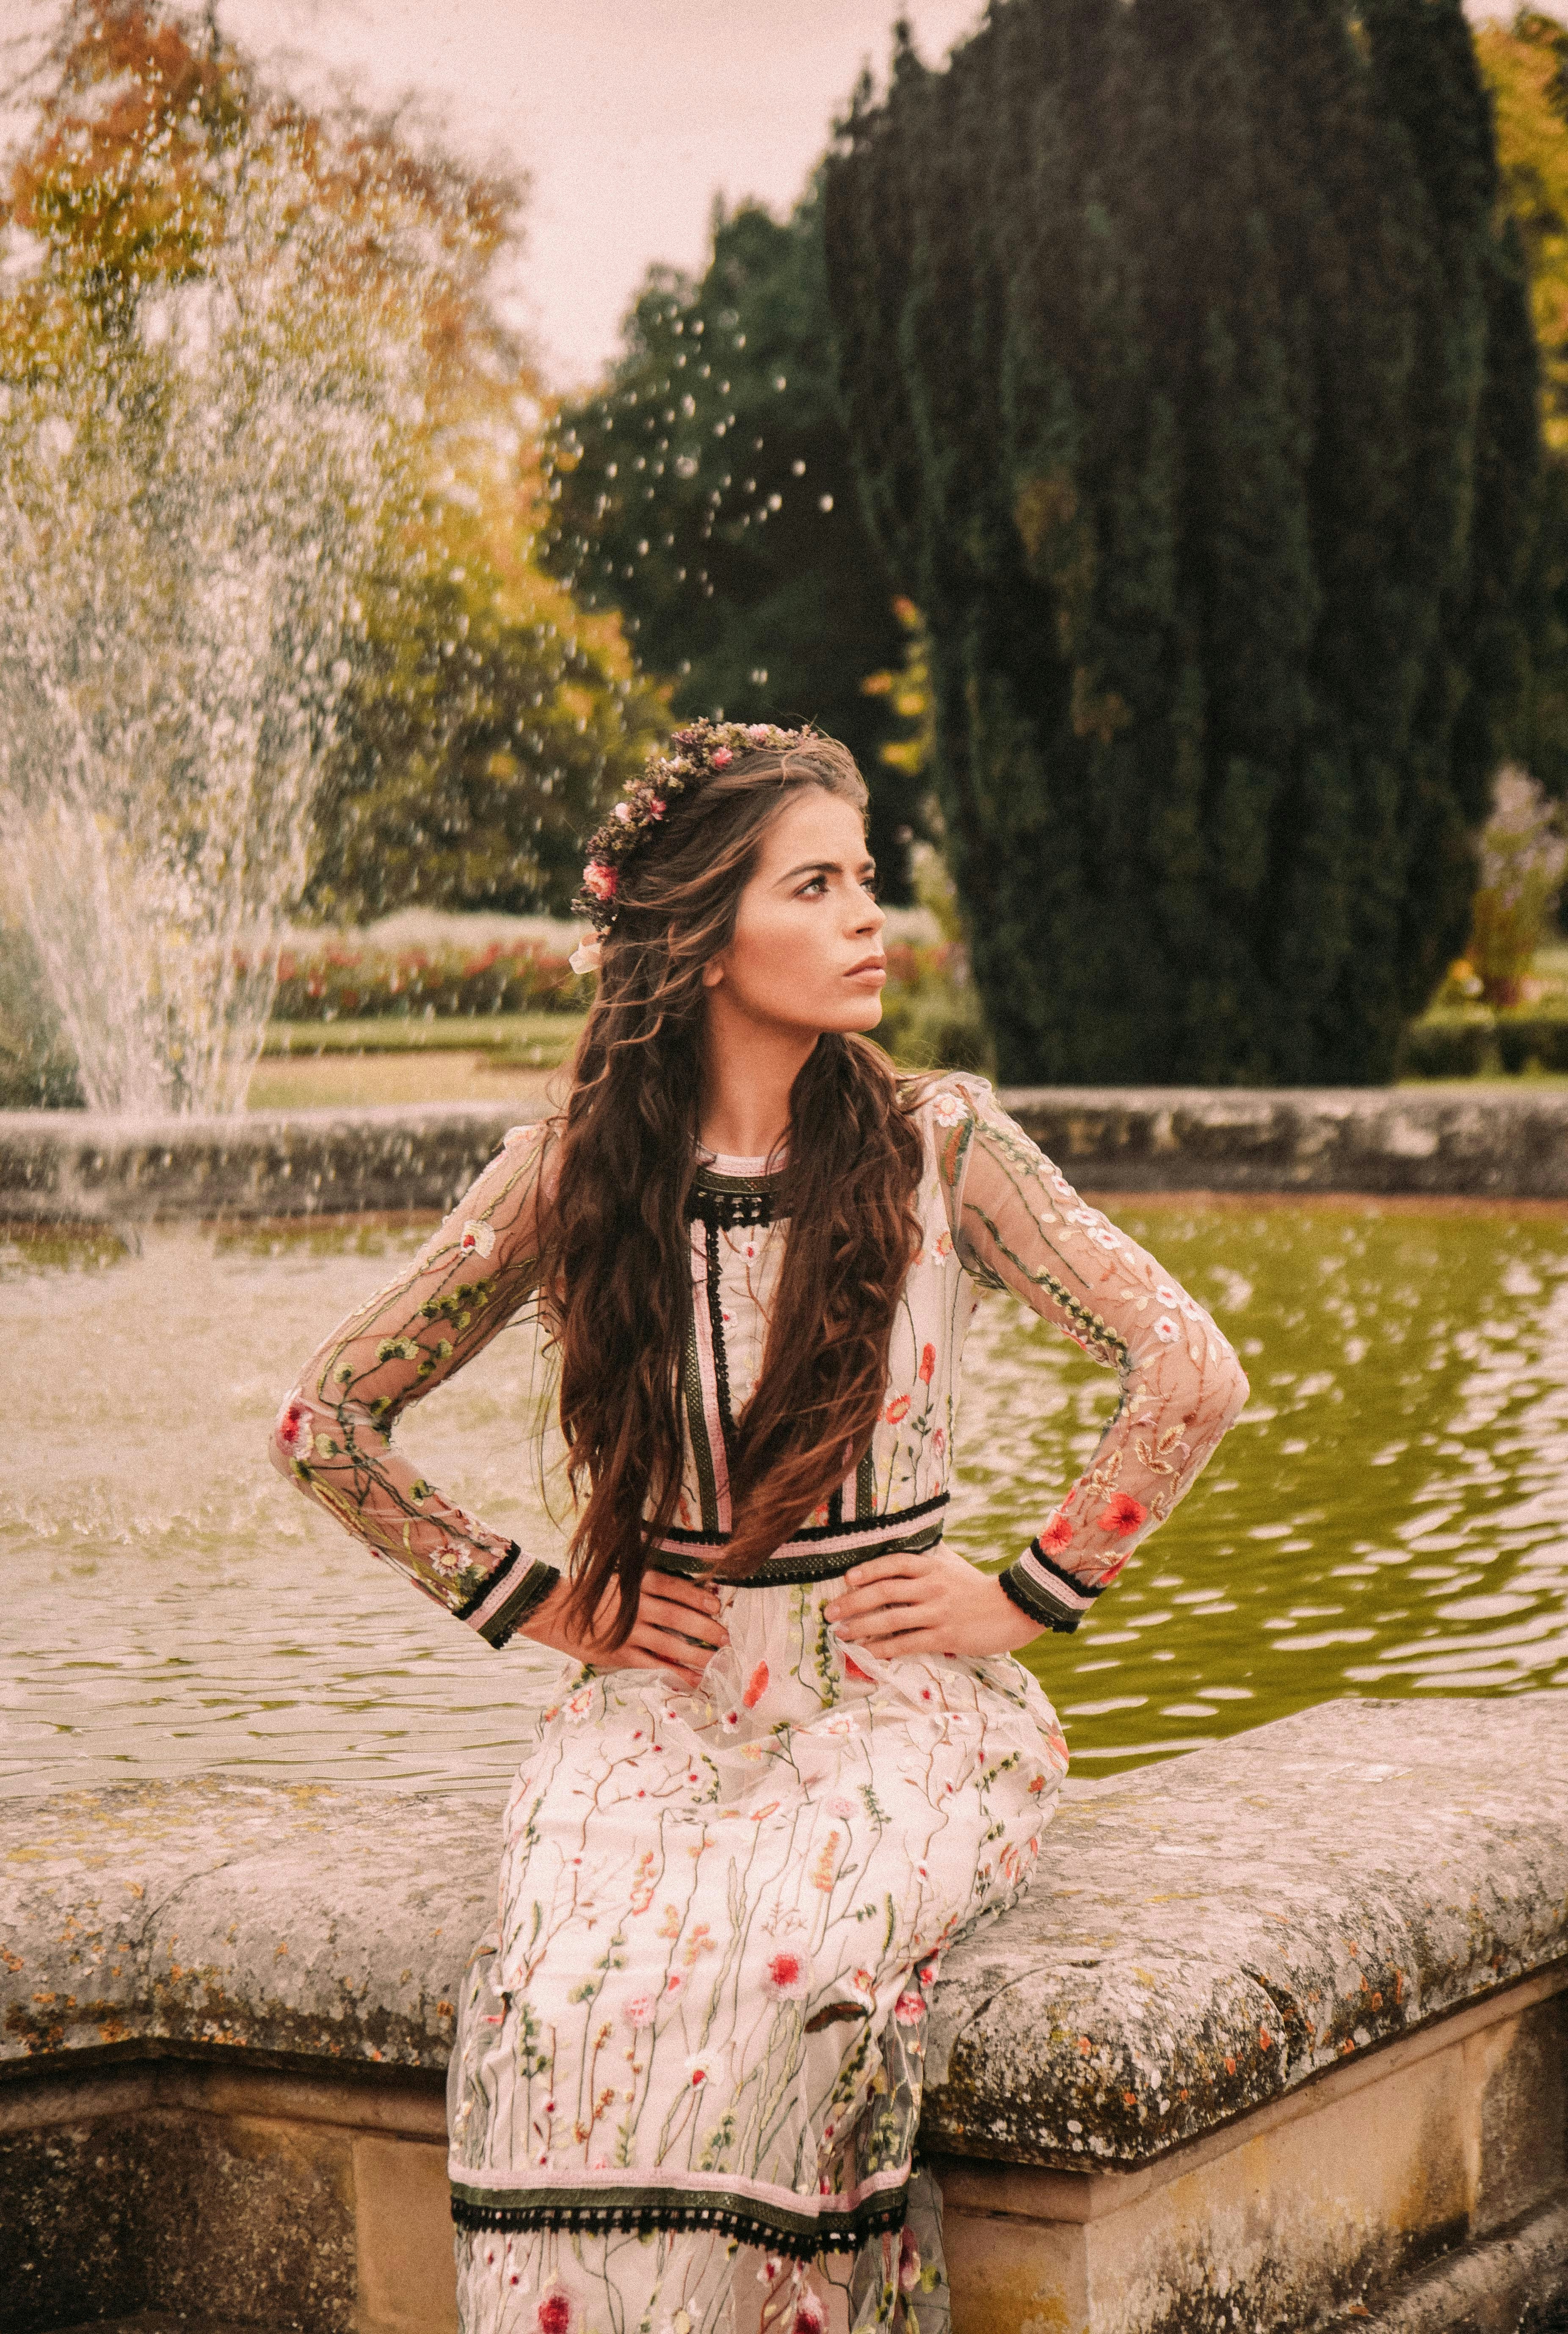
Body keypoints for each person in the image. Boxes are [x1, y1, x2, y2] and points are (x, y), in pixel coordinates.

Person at [271, 723, 1248, 2334]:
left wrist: (1023, 1594)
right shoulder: (571, 1171)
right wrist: (543, 1602)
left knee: (785, 1969)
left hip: (895, 1706)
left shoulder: (944, 1146)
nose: (873, 917)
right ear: (703, 935)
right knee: (556, 1997)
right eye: (819, 884)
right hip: (658, 1705)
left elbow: (1189, 1371)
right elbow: (327, 1423)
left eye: (867, 878)